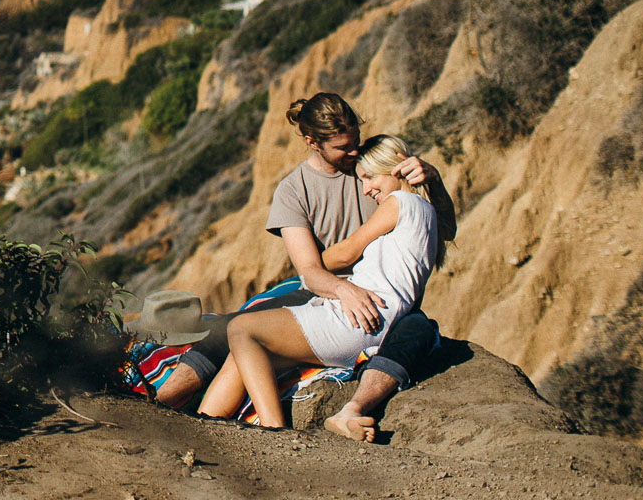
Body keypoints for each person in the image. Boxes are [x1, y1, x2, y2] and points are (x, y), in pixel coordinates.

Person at [152, 92, 456, 438]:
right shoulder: (293, 190)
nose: (355, 153)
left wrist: (432, 179)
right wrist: (342, 288)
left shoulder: (371, 173)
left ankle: (277, 430)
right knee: (233, 329)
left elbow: (436, 228)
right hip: (324, 287)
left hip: (371, 297)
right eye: (344, 147)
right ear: (313, 143)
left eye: (356, 141)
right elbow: (310, 272)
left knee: (414, 327)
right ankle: (175, 413)